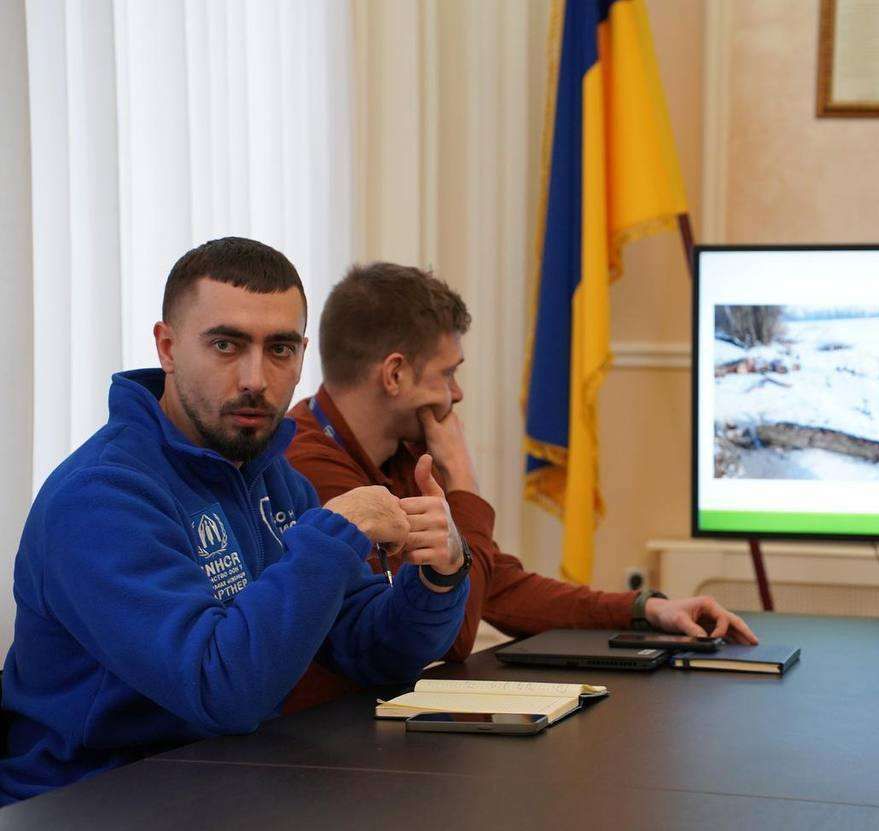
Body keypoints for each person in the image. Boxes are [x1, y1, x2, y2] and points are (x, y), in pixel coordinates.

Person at [0, 239, 470, 804]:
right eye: (226, 344)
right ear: (167, 347)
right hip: (87, 800)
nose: (256, 378)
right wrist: (335, 532)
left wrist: (438, 573)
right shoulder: (100, 498)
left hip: (223, 784)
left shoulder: (271, 478)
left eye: (280, 349)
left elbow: (372, 652)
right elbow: (218, 687)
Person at [282, 262, 757, 711]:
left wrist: (645, 608)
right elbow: (454, 636)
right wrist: (463, 486)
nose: (458, 392)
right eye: (448, 373)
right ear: (395, 374)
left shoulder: (401, 452)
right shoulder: (308, 466)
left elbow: (499, 586)